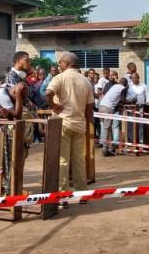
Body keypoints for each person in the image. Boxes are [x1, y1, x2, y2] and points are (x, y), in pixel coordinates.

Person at [45, 52, 94, 198]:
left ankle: (63, 194)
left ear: (66, 64)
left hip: (63, 123)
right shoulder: (86, 81)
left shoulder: (59, 78)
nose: (59, 66)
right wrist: (85, 122)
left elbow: (48, 93)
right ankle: (82, 193)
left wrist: (53, 105)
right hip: (79, 124)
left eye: (60, 63)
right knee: (79, 160)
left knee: (63, 160)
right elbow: (90, 106)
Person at [99, 74, 126, 156]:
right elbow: (123, 99)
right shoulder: (123, 88)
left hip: (101, 106)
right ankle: (105, 148)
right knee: (107, 128)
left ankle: (110, 148)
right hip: (108, 108)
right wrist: (131, 100)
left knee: (108, 127)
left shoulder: (114, 86)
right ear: (126, 84)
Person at [126, 72, 148, 142]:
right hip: (131, 108)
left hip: (141, 107)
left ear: (139, 78)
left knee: (140, 124)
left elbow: (147, 96)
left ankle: (140, 140)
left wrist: (146, 104)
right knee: (130, 124)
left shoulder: (144, 86)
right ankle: (131, 140)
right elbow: (126, 97)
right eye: (133, 78)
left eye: (136, 77)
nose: (134, 79)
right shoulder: (129, 87)